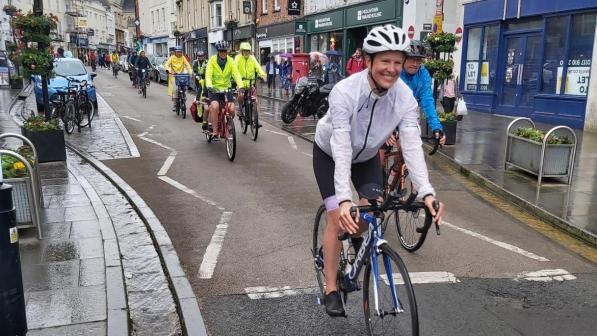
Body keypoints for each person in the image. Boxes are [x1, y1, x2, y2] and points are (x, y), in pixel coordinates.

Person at [313, 24, 444, 317]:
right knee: (339, 217)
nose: (393, 69)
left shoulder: (404, 98)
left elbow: (411, 145)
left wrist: (426, 192)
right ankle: (331, 286)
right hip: (330, 154)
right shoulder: (345, 92)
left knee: (370, 212)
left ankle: (353, 241)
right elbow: (343, 147)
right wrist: (344, 199)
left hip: (367, 157)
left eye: (398, 62)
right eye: (385, 61)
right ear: (369, 61)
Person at [400, 40, 445, 145]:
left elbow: (427, 101)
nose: (415, 64)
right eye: (412, 59)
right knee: (380, 150)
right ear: (403, 59)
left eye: (418, 60)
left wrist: (436, 127)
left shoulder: (423, 74)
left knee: (409, 147)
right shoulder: (395, 71)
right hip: (388, 112)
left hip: (409, 114)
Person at [205, 40, 243, 136]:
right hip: (214, 89)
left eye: (225, 51)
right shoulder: (212, 60)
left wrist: (241, 86)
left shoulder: (230, 61)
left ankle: (228, 124)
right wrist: (209, 86)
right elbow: (208, 75)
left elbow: (236, 74)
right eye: (221, 51)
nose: (223, 53)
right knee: (215, 106)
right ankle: (214, 130)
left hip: (227, 89)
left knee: (232, 109)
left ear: (227, 52)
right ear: (218, 51)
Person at [234, 42, 266, 120]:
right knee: (241, 95)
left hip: (250, 83)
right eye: (244, 51)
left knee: (256, 101)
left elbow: (258, 67)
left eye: (247, 51)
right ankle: (240, 109)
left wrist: (263, 75)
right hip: (240, 83)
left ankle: (256, 119)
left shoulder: (252, 58)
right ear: (241, 51)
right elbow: (234, 68)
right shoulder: (238, 58)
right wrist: (237, 79)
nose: (246, 52)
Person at [164, 46, 193, 112]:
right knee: (175, 89)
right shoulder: (171, 58)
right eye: (177, 52)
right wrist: (169, 70)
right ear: (175, 52)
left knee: (185, 86)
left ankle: (183, 96)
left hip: (181, 75)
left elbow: (188, 65)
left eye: (180, 52)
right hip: (174, 75)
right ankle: (175, 104)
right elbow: (166, 65)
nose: (179, 53)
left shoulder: (183, 57)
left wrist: (190, 72)